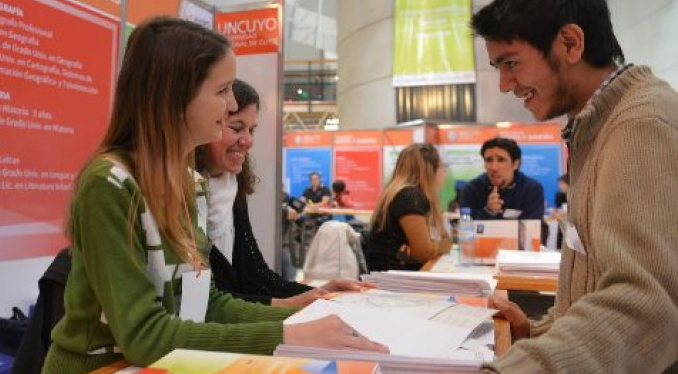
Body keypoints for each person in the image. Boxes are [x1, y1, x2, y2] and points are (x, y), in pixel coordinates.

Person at [33, 18, 387, 374]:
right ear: (175, 94)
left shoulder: (187, 183)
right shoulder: (108, 185)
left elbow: (206, 302)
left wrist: (302, 312)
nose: (232, 103)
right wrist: (288, 332)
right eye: (222, 90)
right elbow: (144, 335)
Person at [414, 0, 678, 374]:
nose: (505, 84)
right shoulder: (597, 127)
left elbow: (648, 302)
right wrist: (539, 330)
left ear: (570, 43)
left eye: (511, 63)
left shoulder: (640, 125)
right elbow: (599, 281)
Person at [195, 79, 365, 307]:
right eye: (237, 128)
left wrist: (319, 292)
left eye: (251, 130)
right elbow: (210, 303)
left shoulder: (232, 188)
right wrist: (295, 303)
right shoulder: (184, 193)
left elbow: (257, 275)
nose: (248, 141)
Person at [363, 143, 452, 272]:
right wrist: (432, 247)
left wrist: (428, 247)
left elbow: (446, 242)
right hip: (392, 280)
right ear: (430, 170)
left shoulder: (403, 194)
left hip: (392, 275)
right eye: (442, 166)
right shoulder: (410, 197)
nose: (444, 171)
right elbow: (425, 253)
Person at [459, 137, 545, 220]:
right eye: (489, 160)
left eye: (501, 160)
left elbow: (535, 228)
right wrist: (488, 212)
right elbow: (466, 225)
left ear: (515, 164)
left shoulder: (531, 189)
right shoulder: (471, 190)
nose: (494, 168)